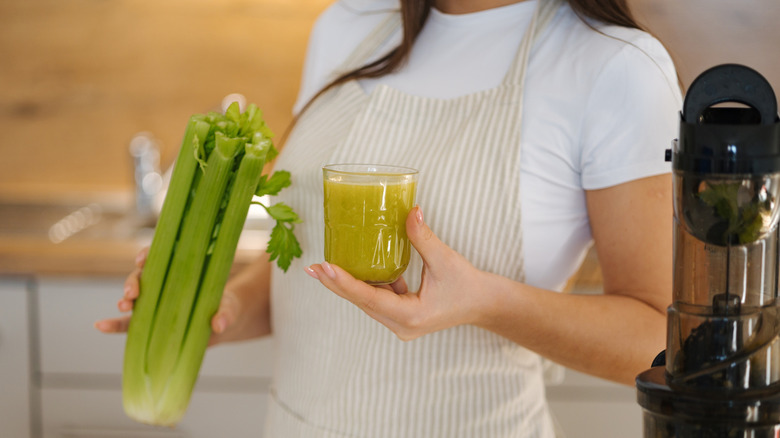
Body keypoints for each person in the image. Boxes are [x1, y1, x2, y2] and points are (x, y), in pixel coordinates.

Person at [97, 0, 682, 436]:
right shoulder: (348, 27)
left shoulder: (615, 67)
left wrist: (485, 302)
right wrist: (214, 307)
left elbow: (662, 339)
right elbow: (309, 266)